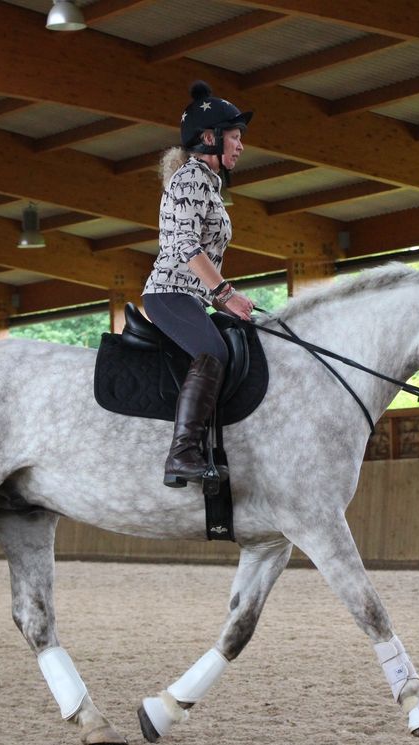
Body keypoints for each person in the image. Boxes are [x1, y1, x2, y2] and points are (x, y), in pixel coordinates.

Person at [142, 80, 256, 488]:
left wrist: (223, 300)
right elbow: (187, 245)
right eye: (235, 136)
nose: (241, 145)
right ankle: (183, 453)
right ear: (210, 138)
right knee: (213, 350)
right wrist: (225, 293)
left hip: (190, 295)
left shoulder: (208, 184)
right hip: (168, 293)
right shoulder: (190, 179)